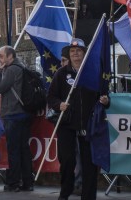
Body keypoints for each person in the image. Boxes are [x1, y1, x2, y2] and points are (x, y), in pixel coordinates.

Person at [47, 38, 111, 200]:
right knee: (67, 160)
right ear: (69, 54)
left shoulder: (94, 72)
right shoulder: (61, 74)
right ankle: (65, 192)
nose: (75, 54)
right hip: (67, 123)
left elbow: (104, 96)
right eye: (72, 51)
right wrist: (59, 104)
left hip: (88, 123)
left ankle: (88, 196)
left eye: (78, 51)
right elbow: (51, 97)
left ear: (84, 53)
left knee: (89, 163)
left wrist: (105, 101)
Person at [0, 45, 33, 192]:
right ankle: (27, 182)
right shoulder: (22, 66)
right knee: (24, 149)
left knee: (14, 150)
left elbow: (0, 88)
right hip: (24, 113)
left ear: (10, 56)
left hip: (13, 114)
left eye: (1, 56)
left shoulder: (11, 70)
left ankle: (13, 182)